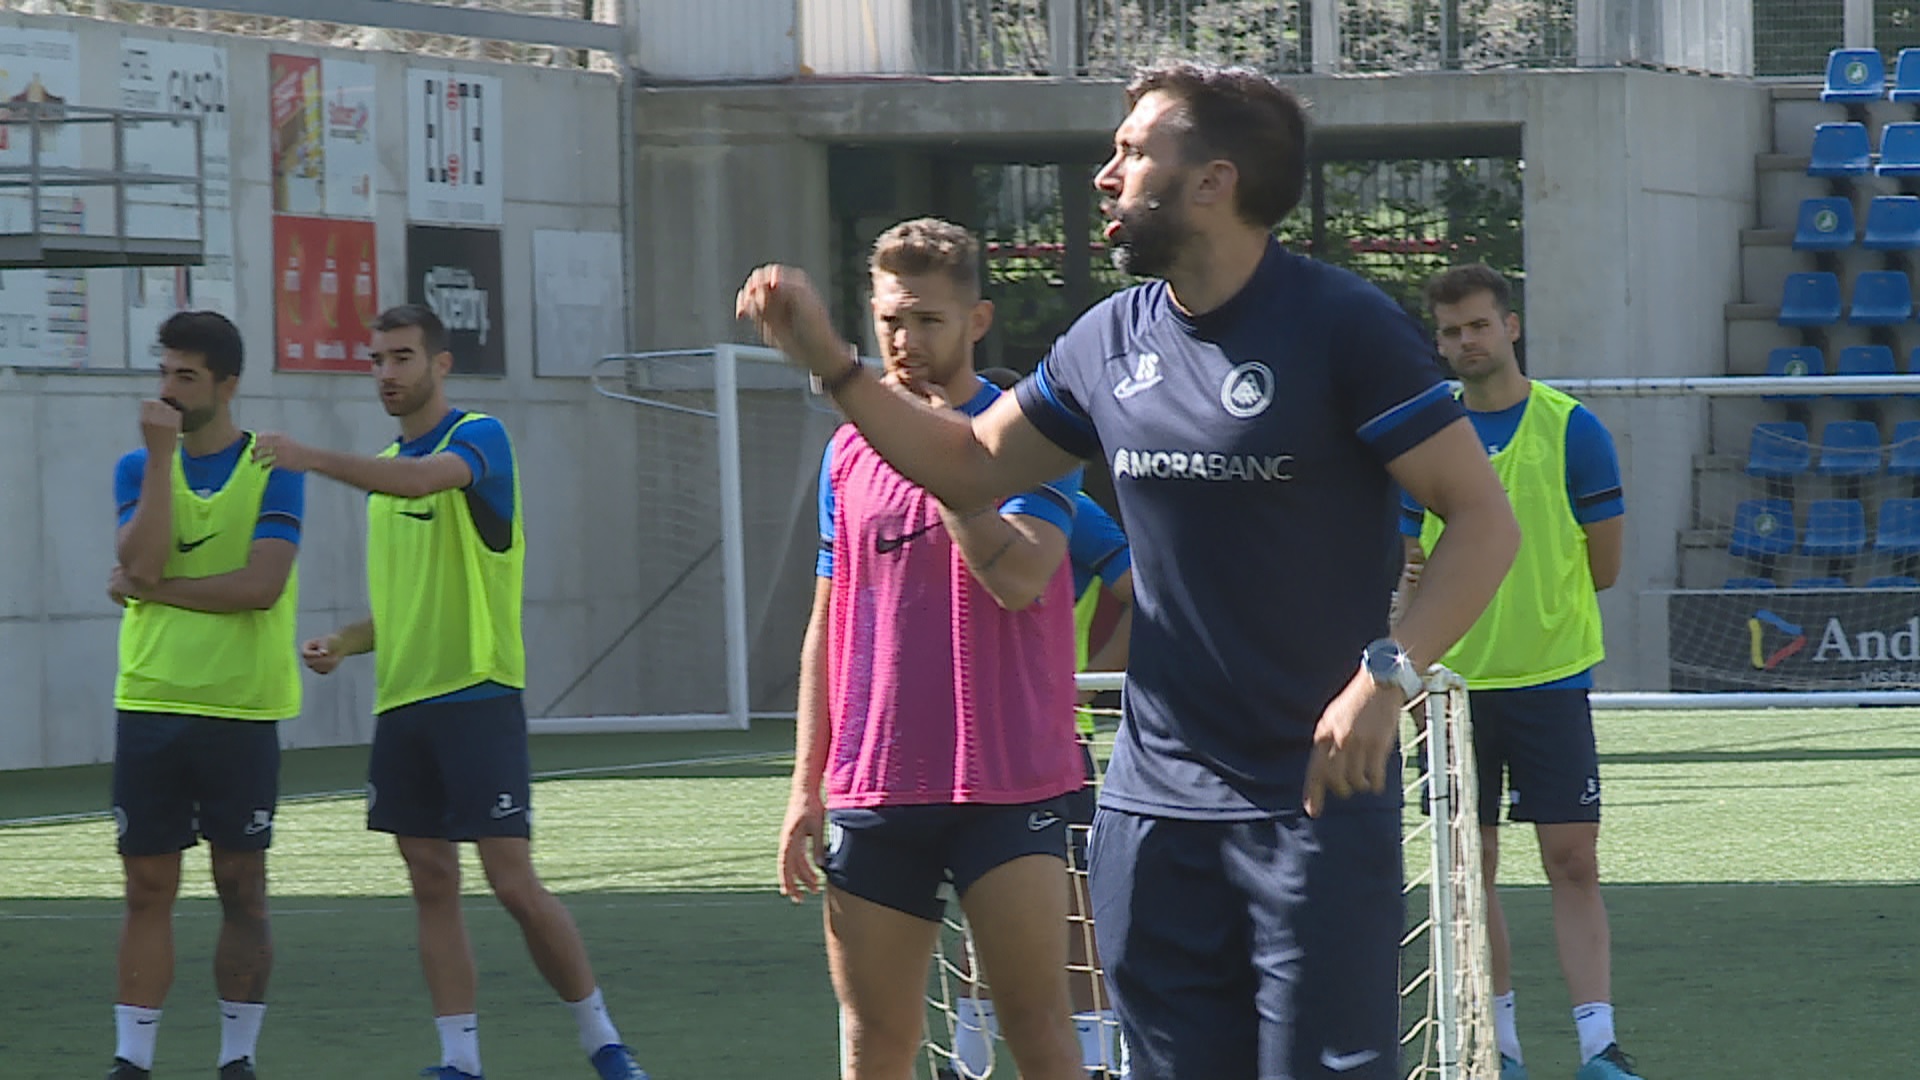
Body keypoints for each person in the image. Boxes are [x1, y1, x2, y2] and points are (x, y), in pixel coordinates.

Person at [739, 62, 1520, 1080]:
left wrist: (1388, 672)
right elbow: (968, 464)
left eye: (1134, 149)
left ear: (1213, 181)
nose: (1106, 175)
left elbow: (1482, 523)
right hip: (1152, 813)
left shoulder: (1345, 327)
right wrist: (834, 366)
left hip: (1313, 806)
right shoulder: (1110, 338)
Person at [255, 305, 648, 1080]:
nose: (387, 374)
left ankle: (604, 1041)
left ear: (440, 365)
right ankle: (459, 1060)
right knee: (431, 882)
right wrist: (344, 641)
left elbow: (419, 477)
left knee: (512, 884)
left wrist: (308, 457)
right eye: (376, 360)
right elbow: (405, 602)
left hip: (478, 695)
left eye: (402, 357)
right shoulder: (380, 474)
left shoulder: (478, 439)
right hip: (403, 707)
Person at [776, 219, 1087, 1080]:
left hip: (1012, 782)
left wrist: (946, 460)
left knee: (1039, 1030)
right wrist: (808, 783)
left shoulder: (1034, 434)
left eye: (928, 321)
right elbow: (826, 623)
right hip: (878, 787)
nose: (906, 343)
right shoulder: (847, 450)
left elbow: (1021, 578)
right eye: (889, 322)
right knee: (875, 1041)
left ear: (978, 320)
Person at [1401, 264, 1639, 1080]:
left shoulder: (1573, 430)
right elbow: (1405, 567)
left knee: (1572, 861)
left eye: (1478, 324)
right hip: (1452, 690)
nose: (1466, 341)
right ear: (1439, 344)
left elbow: (1603, 567)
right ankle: (1497, 1048)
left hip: (1551, 680)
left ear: (1510, 326)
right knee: (1472, 873)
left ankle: (1598, 1047)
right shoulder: (1427, 437)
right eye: (1450, 331)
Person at [105, 311, 303, 1080]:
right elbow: (141, 556)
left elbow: (262, 585)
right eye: (164, 374)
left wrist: (153, 589)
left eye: (186, 376)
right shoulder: (138, 465)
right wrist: (160, 462)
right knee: (147, 885)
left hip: (241, 708)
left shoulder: (273, 465)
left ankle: (236, 1058)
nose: (169, 390)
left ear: (227, 384)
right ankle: (133, 1060)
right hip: (151, 702)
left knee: (240, 884)